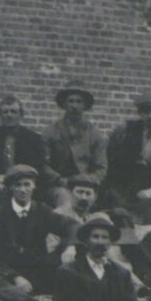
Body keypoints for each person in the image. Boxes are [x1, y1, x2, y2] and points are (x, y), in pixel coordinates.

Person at [0, 163, 59, 301]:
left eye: (27, 184)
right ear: (11, 188)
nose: (23, 190)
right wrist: (15, 277)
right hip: (11, 277)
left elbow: (71, 227)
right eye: (18, 185)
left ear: (34, 186)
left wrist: (67, 248)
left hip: (38, 274)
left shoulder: (44, 211)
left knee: (64, 273)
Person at [0, 94, 51, 215]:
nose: (9, 115)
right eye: (5, 112)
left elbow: (39, 169)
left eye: (13, 112)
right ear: (0, 115)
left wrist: (15, 179)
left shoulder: (33, 139)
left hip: (25, 186)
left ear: (21, 115)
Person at [104, 93, 151, 212]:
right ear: (140, 114)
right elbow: (108, 156)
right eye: (146, 112)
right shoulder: (124, 130)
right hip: (123, 187)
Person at [43, 81, 108, 212]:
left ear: (84, 106)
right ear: (64, 104)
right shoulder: (51, 131)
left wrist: (88, 182)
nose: (74, 106)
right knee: (65, 199)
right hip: (60, 186)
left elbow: (101, 167)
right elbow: (43, 165)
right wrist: (61, 180)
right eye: (70, 101)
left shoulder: (94, 134)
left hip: (87, 185)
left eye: (79, 102)